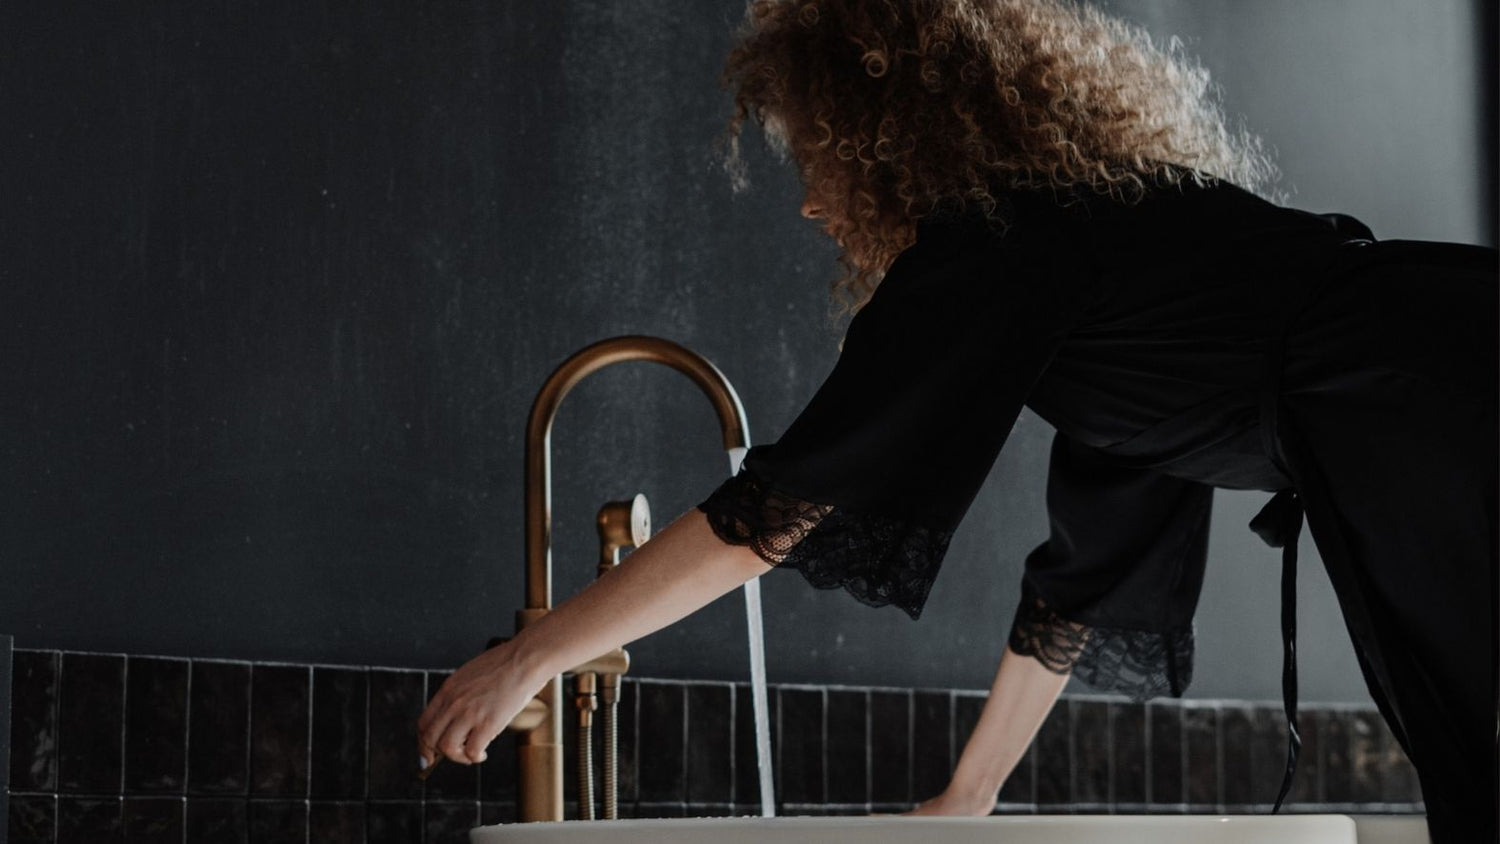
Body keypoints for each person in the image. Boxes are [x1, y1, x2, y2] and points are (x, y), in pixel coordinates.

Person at [417, 1, 1497, 841]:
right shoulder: (1103, 259)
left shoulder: (998, 237)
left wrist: (537, 654)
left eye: (814, 154)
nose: (806, 199)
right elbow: (1080, 581)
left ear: (887, 137)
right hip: (1422, 381)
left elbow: (781, 508)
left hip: (1425, 393)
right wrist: (967, 797)